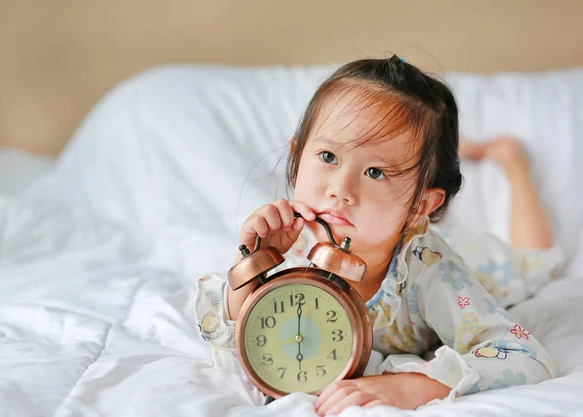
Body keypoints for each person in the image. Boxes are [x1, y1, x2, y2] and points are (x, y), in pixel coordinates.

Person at [194, 56, 561, 414]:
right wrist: (252, 268)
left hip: (481, 268)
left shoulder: (433, 273)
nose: (340, 189)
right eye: (327, 157)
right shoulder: (290, 247)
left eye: (375, 172)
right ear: (297, 155)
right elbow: (228, 344)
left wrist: (416, 385)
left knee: (532, 261)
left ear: (421, 204)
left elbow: (523, 356)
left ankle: (512, 161)